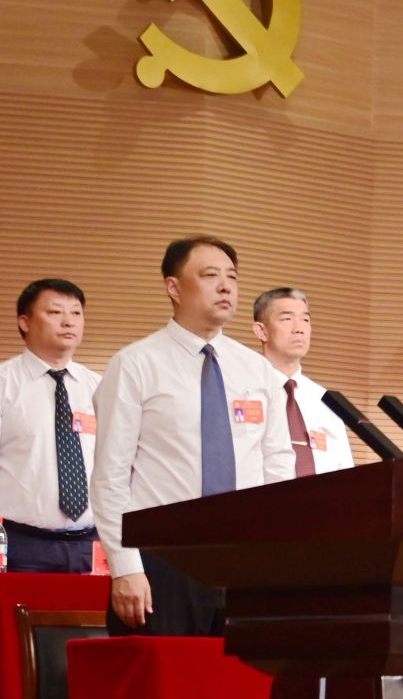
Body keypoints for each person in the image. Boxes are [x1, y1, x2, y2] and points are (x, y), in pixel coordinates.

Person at [91, 237, 295, 635]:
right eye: (210, 275)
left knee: (238, 675)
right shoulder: (135, 364)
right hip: (162, 562)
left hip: (243, 561)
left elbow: (278, 465)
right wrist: (125, 567)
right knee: (164, 674)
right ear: (174, 287)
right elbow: (110, 476)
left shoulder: (256, 370)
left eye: (232, 277)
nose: (225, 286)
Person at [1, 279, 100, 572]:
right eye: (55, 312)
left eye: (76, 313)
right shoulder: (5, 384)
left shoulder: (100, 387)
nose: (69, 321)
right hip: (21, 546)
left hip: (92, 544)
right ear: (24, 322)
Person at [251, 288, 353, 476]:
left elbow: (345, 472)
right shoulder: (244, 389)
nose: (299, 328)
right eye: (287, 319)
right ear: (261, 331)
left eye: (305, 320)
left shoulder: (324, 400)